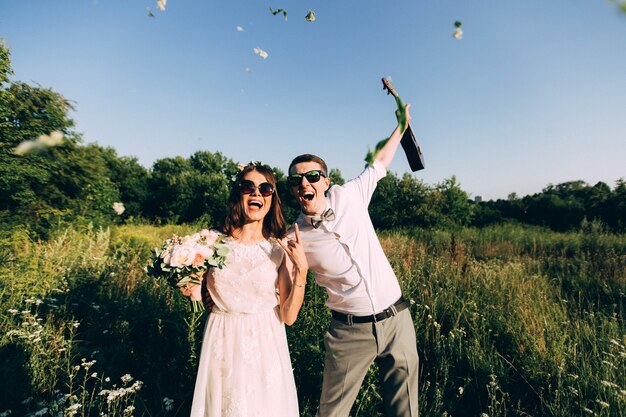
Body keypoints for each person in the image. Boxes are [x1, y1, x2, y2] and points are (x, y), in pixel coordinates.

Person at [287, 103, 419, 417]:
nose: (305, 183)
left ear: (326, 181)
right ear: (292, 190)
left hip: (397, 320)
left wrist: (401, 127)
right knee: (331, 413)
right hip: (349, 332)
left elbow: (380, 162)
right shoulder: (293, 237)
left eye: (312, 176)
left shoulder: (350, 195)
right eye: (296, 180)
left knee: (406, 410)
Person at [182, 163, 308, 417]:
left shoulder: (278, 248)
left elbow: (289, 317)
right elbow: (195, 292)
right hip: (222, 338)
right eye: (248, 187)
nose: (256, 193)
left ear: (272, 198)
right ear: (237, 193)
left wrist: (301, 270)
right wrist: (188, 286)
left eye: (265, 188)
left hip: (266, 340)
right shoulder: (211, 242)